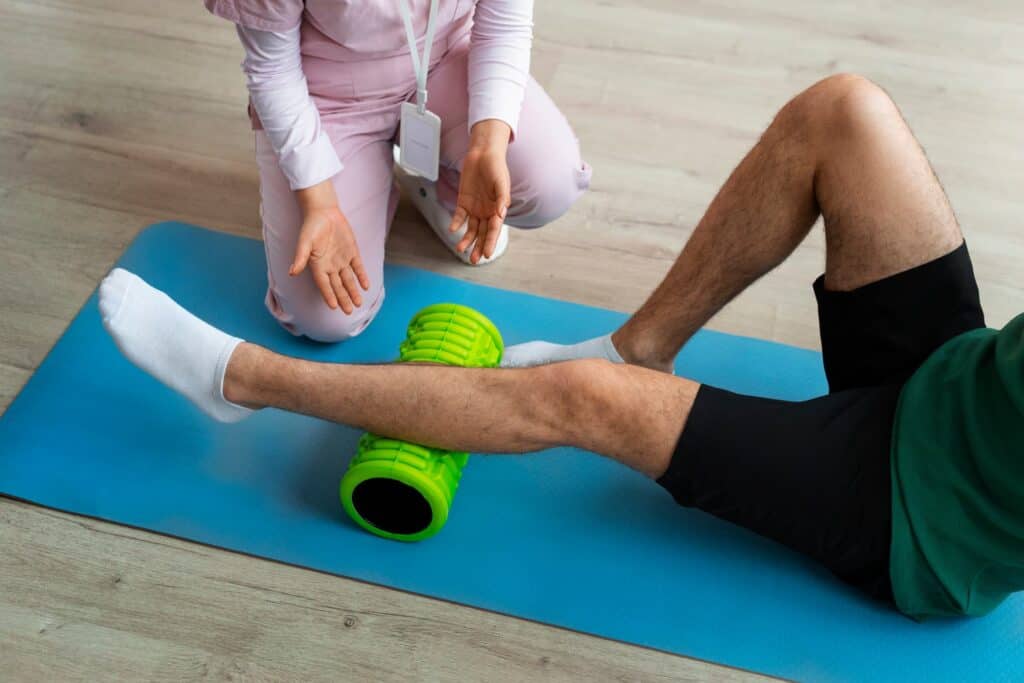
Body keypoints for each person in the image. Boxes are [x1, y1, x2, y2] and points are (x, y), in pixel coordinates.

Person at [100, 74, 1022, 620]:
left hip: (924, 514)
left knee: (582, 399)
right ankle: (642, 347)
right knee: (844, 109)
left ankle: (248, 381)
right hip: (964, 383)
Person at [206, 0, 590, 341]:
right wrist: (319, 202)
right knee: (327, 318)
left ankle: (439, 183)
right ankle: (368, 179)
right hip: (325, 94)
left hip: (444, 58)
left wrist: (487, 145)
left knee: (548, 186)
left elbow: (504, 22)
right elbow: (272, 71)